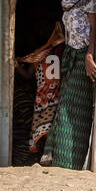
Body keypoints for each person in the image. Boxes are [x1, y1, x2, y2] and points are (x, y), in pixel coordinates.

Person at [40, 0, 96, 169]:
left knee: (72, 108)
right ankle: (58, 159)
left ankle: (70, 163)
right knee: (63, 103)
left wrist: (89, 56)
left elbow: (94, 29)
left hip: (84, 55)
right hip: (70, 54)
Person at [17, 22, 65, 164]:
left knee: (43, 127)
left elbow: (27, 75)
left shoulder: (39, 56)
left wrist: (18, 65)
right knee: (53, 126)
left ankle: (46, 154)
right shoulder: (62, 51)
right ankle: (49, 155)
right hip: (55, 95)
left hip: (43, 98)